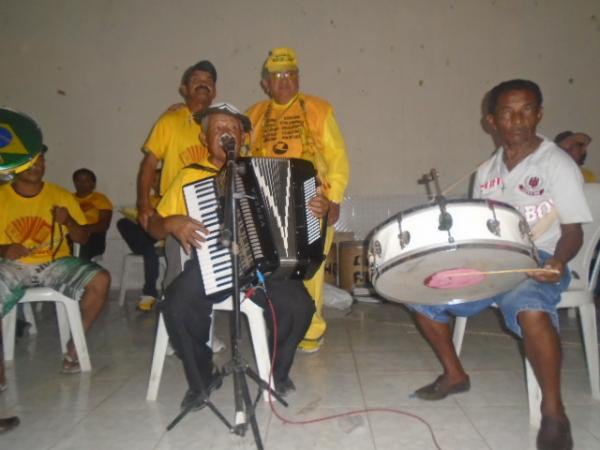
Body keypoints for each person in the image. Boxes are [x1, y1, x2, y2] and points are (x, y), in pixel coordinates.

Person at [407, 80, 591, 450]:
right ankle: (455, 374)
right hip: (493, 263)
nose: (518, 119)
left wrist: (557, 261)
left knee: (530, 307)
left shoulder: (556, 163)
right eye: (507, 112)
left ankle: (554, 412)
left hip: (540, 260)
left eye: (526, 110)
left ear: (539, 114)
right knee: (419, 292)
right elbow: (481, 233)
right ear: (492, 121)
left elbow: (573, 231)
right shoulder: (486, 172)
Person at [147, 102, 325, 409]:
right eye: (218, 128)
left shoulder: (264, 170)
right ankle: (203, 378)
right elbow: (153, 227)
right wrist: (171, 223)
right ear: (204, 139)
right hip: (210, 265)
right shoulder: (189, 177)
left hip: (263, 268)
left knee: (300, 307)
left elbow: (320, 214)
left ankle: (277, 371)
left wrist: (325, 209)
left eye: (233, 128)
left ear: (243, 137)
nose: (226, 133)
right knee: (176, 303)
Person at [245, 47, 350, 352]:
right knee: (272, 268)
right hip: (269, 204)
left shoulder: (319, 109)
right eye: (277, 77)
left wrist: (334, 199)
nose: (284, 82)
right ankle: (279, 326)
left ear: (298, 77)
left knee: (310, 271)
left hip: (313, 202)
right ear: (266, 83)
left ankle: (310, 330)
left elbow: (338, 158)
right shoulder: (253, 115)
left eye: (290, 74)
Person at [0, 149, 110, 373]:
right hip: (10, 265)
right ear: (15, 165)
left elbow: (82, 237)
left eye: (41, 161)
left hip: (55, 263)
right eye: (30, 162)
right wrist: (4, 248)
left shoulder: (60, 195)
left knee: (101, 279)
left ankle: (73, 349)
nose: (37, 166)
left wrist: (68, 220)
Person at [136, 60, 218, 230]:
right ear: (184, 90)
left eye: (208, 80)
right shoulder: (170, 121)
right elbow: (150, 163)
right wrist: (143, 203)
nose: (203, 83)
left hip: (214, 208)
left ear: (215, 91)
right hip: (175, 208)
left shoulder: (221, 124)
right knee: (179, 256)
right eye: (196, 80)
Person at [117, 169, 162, 310]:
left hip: (163, 238)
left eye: (160, 179)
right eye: (154, 181)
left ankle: (149, 293)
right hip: (146, 238)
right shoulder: (147, 201)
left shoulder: (171, 198)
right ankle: (151, 243)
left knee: (149, 248)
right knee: (122, 222)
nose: (157, 183)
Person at [72, 168, 113, 260]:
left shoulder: (101, 199)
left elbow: (104, 225)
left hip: (93, 236)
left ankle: (82, 272)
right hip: (71, 234)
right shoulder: (68, 198)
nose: (81, 184)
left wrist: (81, 230)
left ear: (93, 184)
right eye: (78, 180)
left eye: (86, 181)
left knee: (82, 244)